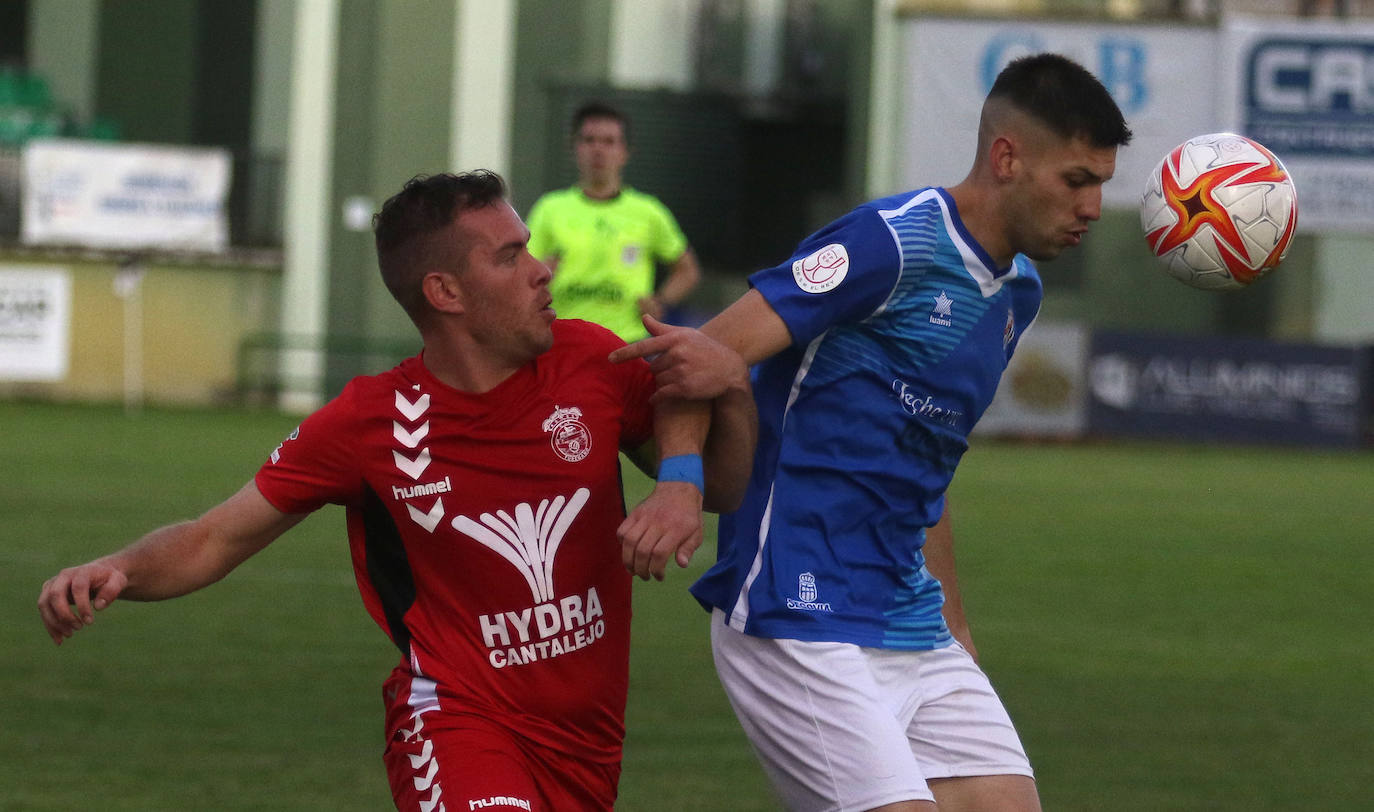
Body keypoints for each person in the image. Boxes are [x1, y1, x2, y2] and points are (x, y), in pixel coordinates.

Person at [37, 171, 756, 811]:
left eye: (528, 247)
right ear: (444, 293)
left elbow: (713, 457)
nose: (542, 271)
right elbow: (214, 536)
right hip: (456, 722)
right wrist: (120, 569)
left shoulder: (591, 358)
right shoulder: (371, 421)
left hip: (587, 747)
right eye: (510, 256)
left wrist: (703, 442)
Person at [611, 54, 1132, 811]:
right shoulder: (892, 244)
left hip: (909, 619)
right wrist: (681, 484)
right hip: (798, 607)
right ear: (1008, 157)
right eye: (1077, 180)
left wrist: (956, 629)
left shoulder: (1019, 292)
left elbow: (930, 461)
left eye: (1102, 186)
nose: (1092, 207)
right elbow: (703, 359)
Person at [526, 100, 701, 342]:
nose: (598, 150)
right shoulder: (550, 208)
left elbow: (687, 270)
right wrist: (541, 275)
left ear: (625, 152)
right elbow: (523, 272)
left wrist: (661, 301)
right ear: (575, 148)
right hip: (563, 340)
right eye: (589, 140)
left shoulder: (648, 211)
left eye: (609, 142)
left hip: (626, 341)